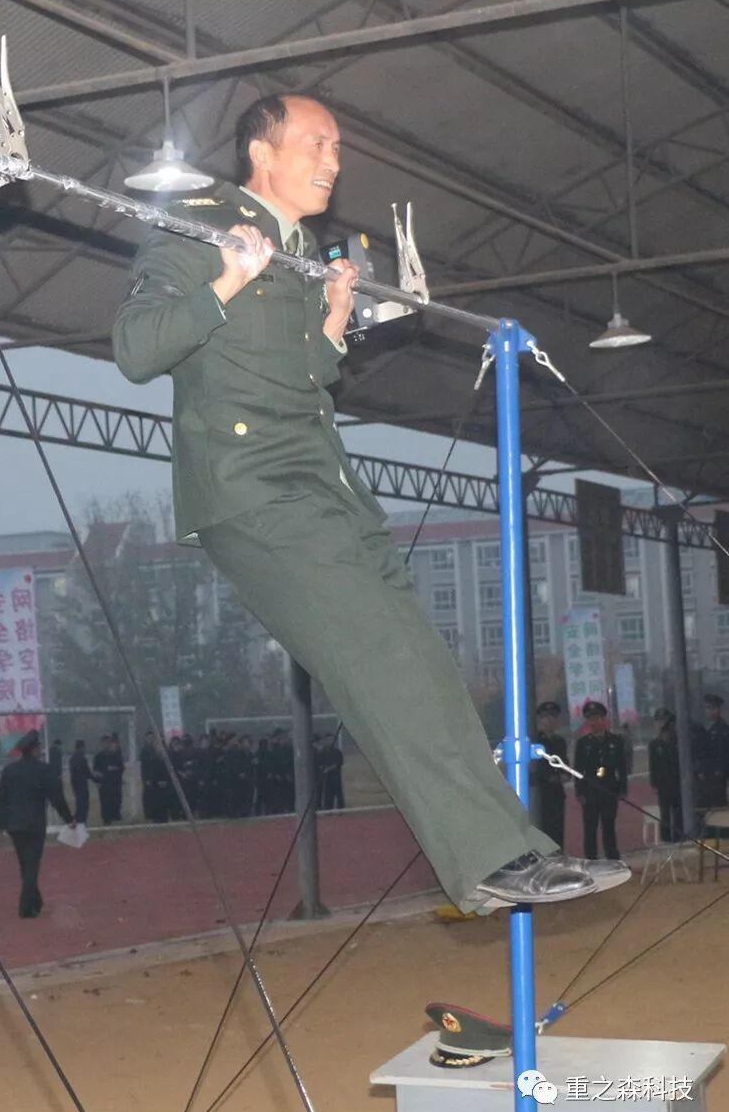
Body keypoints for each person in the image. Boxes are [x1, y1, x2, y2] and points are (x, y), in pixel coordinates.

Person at [113, 92, 627, 910]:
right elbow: (135, 349)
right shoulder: (199, 226)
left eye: (337, 147)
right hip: (252, 490)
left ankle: (517, 849)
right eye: (315, 144)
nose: (333, 161)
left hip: (325, 488)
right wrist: (226, 279)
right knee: (384, 665)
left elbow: (295, 380)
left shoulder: (301, 251)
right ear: (260, 153)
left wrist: (331, 323)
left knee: (426, 668)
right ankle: (488, 860)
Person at [0, 730, 74, 918]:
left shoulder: (10, 771)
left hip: (14, 825)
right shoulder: (43, 770)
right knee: (31, 864)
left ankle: (35, 901)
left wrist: (0, 823)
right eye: (38, 747)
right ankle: (25, 906)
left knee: (25, 864)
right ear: (33, 750)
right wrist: (68, 818)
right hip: (34, 824)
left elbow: (2, 797)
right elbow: (56, 797)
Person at [574, 700, 629, 860]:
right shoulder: (583, 743)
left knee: (609, 824)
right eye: (590, 719)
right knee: (590, 826)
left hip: (609, 787)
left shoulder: (616, 741)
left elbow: (622, 767)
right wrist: (579, 791)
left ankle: (612, 857)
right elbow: (578, 770)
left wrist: (623, 789)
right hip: (590, 789)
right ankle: (591, 858)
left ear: (604, 719)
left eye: (597, 718)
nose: (594, 722)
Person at [532, 701, 569, 849]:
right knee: (544, 829)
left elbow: (564, 763)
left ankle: (558, 856)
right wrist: (550, 777)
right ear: (540, 720)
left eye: (553, 717)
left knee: (558, 830)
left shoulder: (560, 742)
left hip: (557, 793)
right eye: (545, 717)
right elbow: (537, 767)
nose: (550, 721)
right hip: (542, 793)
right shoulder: (536, 742)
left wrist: (565, 775)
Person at [648, 708, 682, 843]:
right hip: (663, 783)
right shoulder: (654, 744)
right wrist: (654, 784)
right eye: (658, 721)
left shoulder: (677, 742)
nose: (661, 725)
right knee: (665, 812)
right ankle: (666, 838)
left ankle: (679, 837)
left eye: (663, 721)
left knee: (679, 811)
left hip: (677, 781)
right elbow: (653, 766)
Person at [93, 734, 124, 825]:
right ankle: (106, 820)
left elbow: (121, 767)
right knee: (105, 803)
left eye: (107, 743)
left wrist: (114, 769)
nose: (106, 745)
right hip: (104, 784)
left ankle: (115, 817)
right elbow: (95, 770)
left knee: (115, 801)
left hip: (114, 783)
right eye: (104, 743)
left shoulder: (115, 755)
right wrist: (97, 782)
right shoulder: (98, 756)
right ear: (101, 744)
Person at [68, 739, 99, 826]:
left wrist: (73, 787)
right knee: (84, 806)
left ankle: (76, 822)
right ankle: (81, 823)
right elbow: (87, 773)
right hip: (82, 785)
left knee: (79, 806)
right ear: (82, 747)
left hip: (76, 785)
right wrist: (97, 779)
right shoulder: (83, 759)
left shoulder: (72, 759)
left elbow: (72, 775)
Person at [319, 732, 345, 810]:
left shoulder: (337, 752)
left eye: (332, 739)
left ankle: (341, 809)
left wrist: (328, 769)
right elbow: (320, 763)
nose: (331, 741)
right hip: (326, 777)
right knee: (328, 794)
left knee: (338, 793)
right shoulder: (322, 752)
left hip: (335, 776)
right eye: (329, 739)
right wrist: (323, 769)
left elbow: (337, 764)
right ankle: (328, 809)